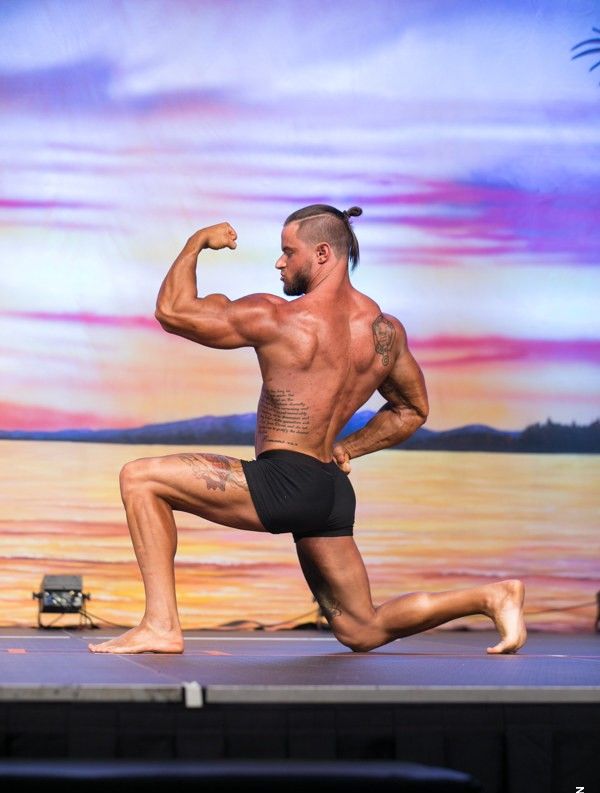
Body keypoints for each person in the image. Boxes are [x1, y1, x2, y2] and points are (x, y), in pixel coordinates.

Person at [89, 204, 526, 655]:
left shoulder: (278, 317)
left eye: (288, 251)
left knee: (140, 479)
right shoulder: (385, 332)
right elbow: (412, 410)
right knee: (361, 629)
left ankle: (160, 624)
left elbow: (173, 311)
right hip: (329, 491)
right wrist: (348, 448)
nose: (280, 262)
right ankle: (491, 597)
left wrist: (197, 241)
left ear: (322, 254)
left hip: (285, 481)